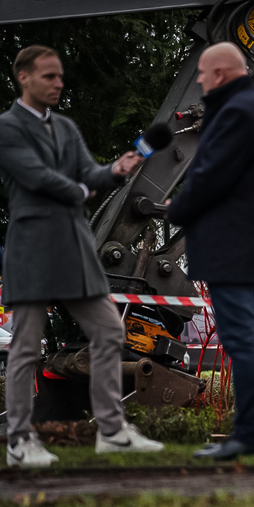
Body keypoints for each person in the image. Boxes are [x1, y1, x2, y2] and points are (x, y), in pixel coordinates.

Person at [0, 45, 164, 468]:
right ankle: (19, 441)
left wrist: (119, 167)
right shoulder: (8, 128)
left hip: (74, 249)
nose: (59, 83)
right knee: (26, 349)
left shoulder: (66, 128)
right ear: (24, 78)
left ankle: (111, 431)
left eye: (60, 76)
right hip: (33, 249)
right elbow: (34, 175)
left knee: (109, 330)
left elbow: (90, 174)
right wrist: (77, 188)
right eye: (49, 76)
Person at [166, 42, 254, 461]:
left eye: (202, 72)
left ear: (221, 73)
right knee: (246, 341)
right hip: (245, 243)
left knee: (240, 343)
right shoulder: (251, 109)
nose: (198, 80)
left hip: (232, 245)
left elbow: (212, 175)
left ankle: (249, 435)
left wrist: (177, 207)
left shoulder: (235, 112)